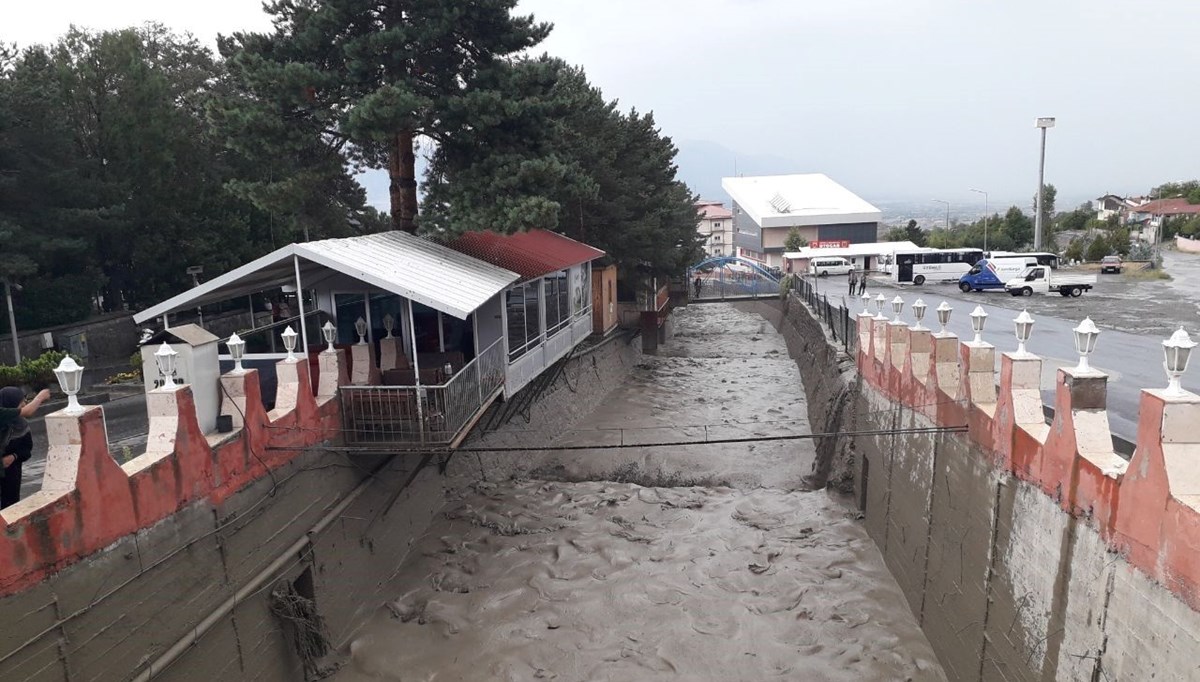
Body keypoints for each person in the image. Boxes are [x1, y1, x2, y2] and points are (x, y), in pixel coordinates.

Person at [1, 387, 51, 509]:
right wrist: (40, 396)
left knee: (10, 507)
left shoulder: (22, 426)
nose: (24, 403)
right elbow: (27, 411)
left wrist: (14, 457)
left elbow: (26, 449)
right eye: (21, 401)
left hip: (12, 474)